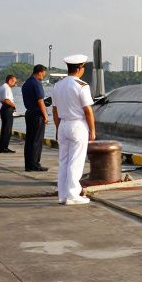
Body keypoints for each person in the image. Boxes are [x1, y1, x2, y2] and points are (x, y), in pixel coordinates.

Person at [51, 55, 95, 205]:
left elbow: (55, 110)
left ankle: (63, 195)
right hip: (78, 125)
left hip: (63, 125)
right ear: (79, 68)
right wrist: (92, 130)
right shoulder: (82, 86)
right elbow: (88, 111)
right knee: (75, 161)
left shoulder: (58, 85)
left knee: (64, 161)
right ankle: (73, 195)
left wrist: (58, 128)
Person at [22, 65, 49, 171]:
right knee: (37, 140)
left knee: (29, 140)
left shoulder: (26, 83)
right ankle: (35, 164)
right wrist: (45, 115)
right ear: (40, 72)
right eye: (43, 73)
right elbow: (40, 100)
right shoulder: (37, 83)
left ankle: (28, 164)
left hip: (29, 113)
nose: (43, 76)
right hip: (37, 114)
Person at [0, 73, 18, 153]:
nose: (15, 84)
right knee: (7, 129)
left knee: (5, 129)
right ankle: (4, 148)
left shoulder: (3, 87)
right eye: (14, 82)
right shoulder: (6, 88)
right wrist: (14, 105)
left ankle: (3, 147)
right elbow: (6, 100)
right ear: (10, 80)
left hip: (4, 108)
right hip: (7, 109)